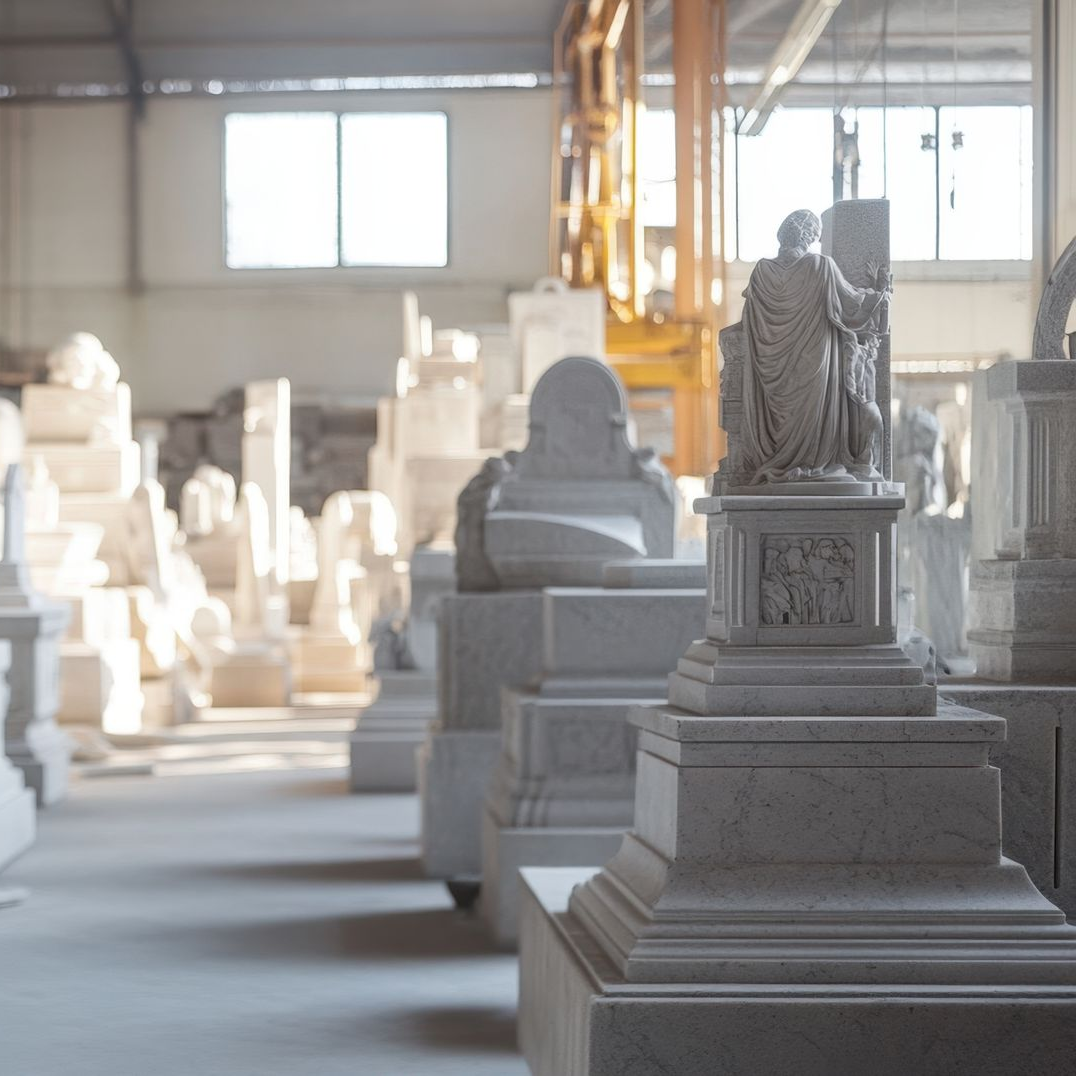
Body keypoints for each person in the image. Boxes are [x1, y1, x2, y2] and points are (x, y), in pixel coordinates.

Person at [741, 209, 891, 484]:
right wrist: (879, 291)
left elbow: (746, 328)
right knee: (819, 429)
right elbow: (853, 307)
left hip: (770, 378)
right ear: (807, 236)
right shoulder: (820, 266)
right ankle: (817, 460)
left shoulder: (761, 271)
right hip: (815, 366)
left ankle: (782, 459)